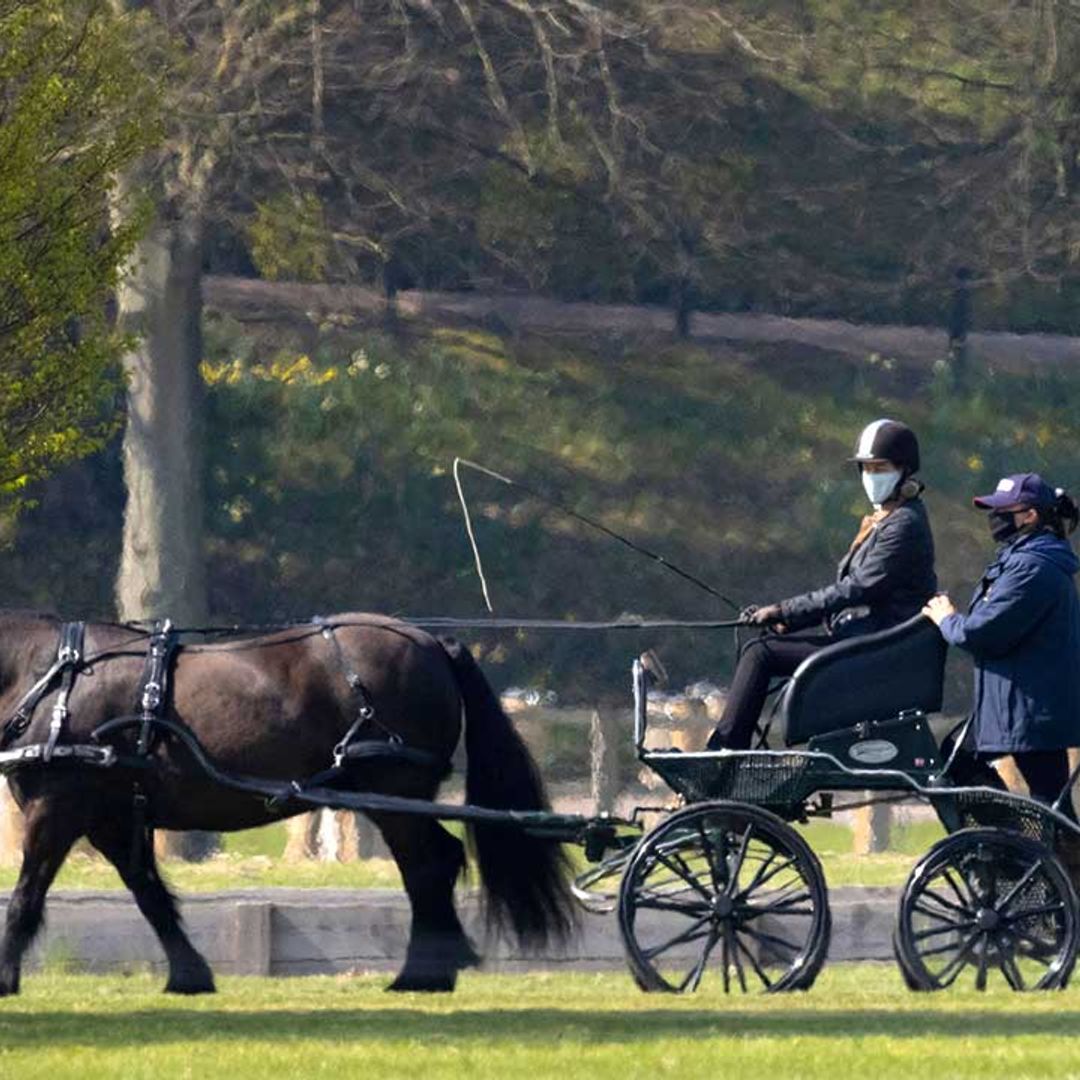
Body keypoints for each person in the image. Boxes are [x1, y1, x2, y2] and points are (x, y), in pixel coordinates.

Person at [707, 418, 937, 750]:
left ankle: (725, 750)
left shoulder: (905, 524)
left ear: (904, 470)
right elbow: (852, 594)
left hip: (879, 648)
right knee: (761, 648)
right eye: (866, 469)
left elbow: (858, 589)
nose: (871, 477)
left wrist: (785, 608)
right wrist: (792, 620)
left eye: (880, 467)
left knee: (761, 654)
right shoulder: (884, 520)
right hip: (866, 639)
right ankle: (729, 748)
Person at [922, 473, 1080, 811]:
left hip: (1031, 715)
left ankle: (1037, 860)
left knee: (1050, 809)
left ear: (1030, 515)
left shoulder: (1031, 567)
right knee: (1047, 806)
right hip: (1022, 711)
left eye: (1004, 510)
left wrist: (946, 618)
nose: (995, 517)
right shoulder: (1025, 560)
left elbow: (980, 633)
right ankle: (1018, 857)